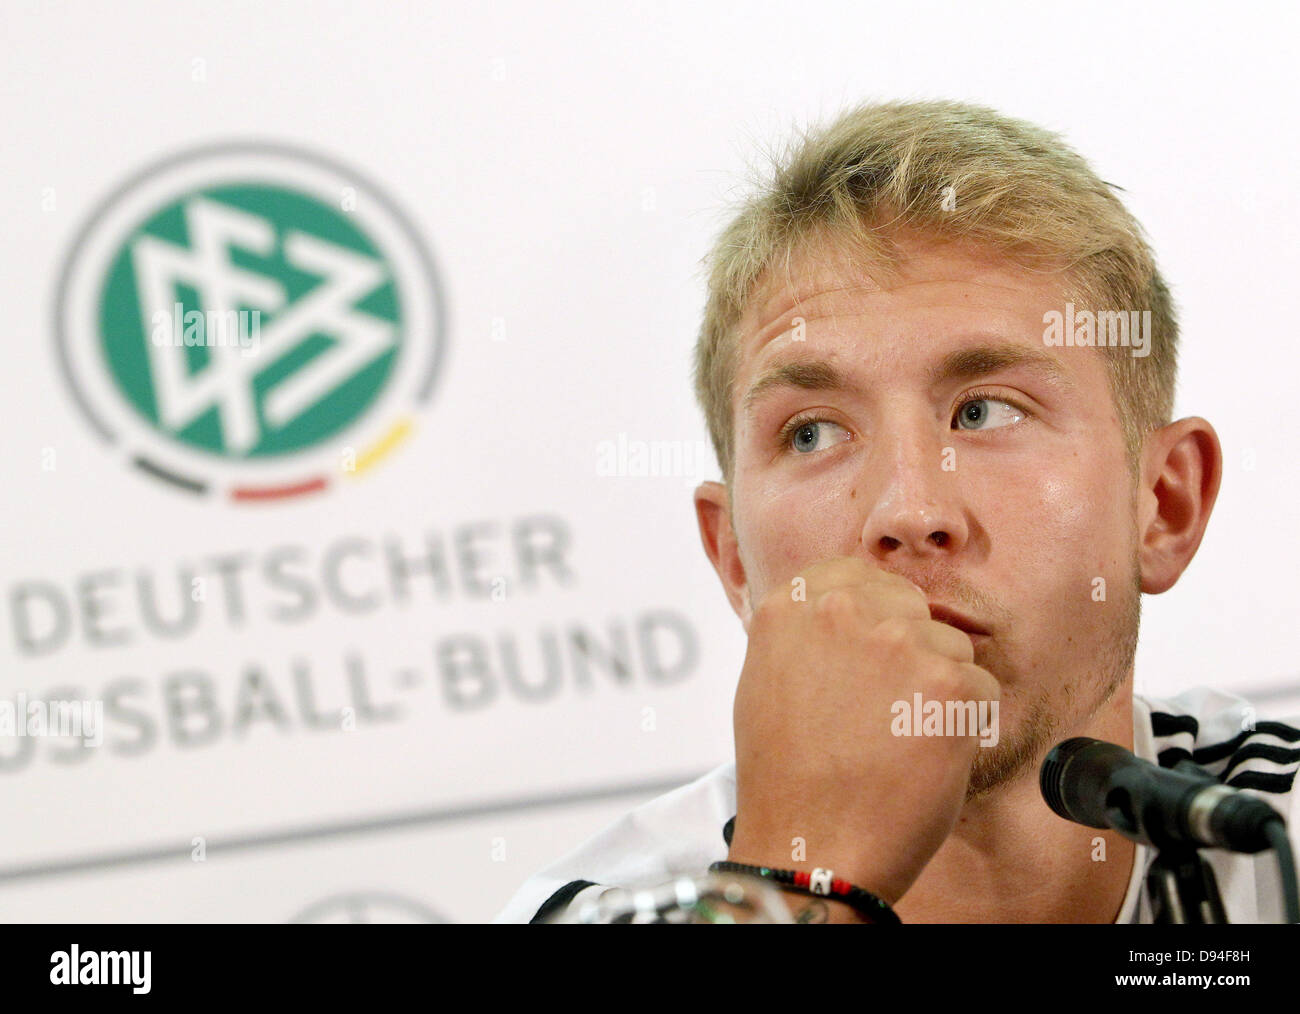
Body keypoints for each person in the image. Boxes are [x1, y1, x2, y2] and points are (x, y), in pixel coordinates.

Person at [493, 99, 1299, 924]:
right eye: (812, 434)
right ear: (734, 560)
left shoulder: (1278, 825)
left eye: (986, 411)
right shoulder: (598, 909)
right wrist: (800, 871)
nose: (909, 512)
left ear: (1164, 504)